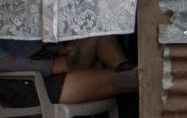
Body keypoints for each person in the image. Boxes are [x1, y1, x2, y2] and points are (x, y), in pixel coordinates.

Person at [0, 36, 136, 107]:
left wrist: (57, 49)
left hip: (45, 62)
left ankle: (125, 68)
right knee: (125, 80)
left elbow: (22, 46)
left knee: (99, 34)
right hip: (28, 81)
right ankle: (135, 77)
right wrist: (50, 66)